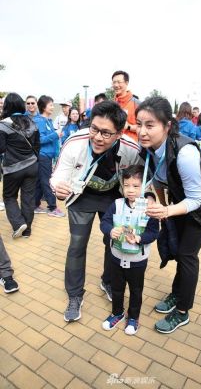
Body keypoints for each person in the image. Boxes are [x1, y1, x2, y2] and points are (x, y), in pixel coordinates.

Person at [135, 96, 201, 334]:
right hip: (180, 203)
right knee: (178, 250)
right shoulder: (151, 149)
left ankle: (182, 311)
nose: (142, 131)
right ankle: (176, 293)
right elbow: (157, 179)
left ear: (167, 125)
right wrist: (159, 203)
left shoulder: (185, 152)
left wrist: (167, 210)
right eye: (139, 124)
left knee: (187, 255)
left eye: (150, 125)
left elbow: (196, 199)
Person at [50, 100, 145, 322]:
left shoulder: (131, 150)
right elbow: (57, 175)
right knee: (77, 244)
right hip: (81, 196)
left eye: (106, 133)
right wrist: (58, 188)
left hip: (113, 197)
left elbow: (142, 180)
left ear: (120, 133)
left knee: (112, 241)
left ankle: (108, 281)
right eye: (94, 128)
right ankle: (74, 295)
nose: (98, 137)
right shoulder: (75, 142)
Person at [100, 165, 159, 335]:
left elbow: (154, 232)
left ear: (145, 186)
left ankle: (133, 317)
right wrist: (110, 230)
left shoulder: (150, 208)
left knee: (136, 290)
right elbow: (104, 222)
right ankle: (117, 313)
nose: (130, 190)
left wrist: (140, 238)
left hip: (137, 262)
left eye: (135, 186)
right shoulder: (117, 204)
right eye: (126, 185)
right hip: (116, 257)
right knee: (117, 289)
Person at [0, 93, 40, 238]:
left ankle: (18, 223)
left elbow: (1, 148)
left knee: (9, 196)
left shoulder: (4, 124)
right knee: (28, 198)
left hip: (13, 168)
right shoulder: (32, 122)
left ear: (7, 106)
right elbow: (37, 145)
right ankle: (27, 230)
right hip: (32, 166)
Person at [33, 95, 65, 217]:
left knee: (40, 181)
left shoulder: (48, 121)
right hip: (43, 155)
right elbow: (40, 140)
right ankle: (52, 207)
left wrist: (56, 135)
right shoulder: (39, 121)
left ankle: (35, 205)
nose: (52, 107)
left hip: (48, 156)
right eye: (51, 105)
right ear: (43, 106)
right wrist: (56, 134)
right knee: (46, 181)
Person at [112, 70, 140, 142]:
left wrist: (128, 126)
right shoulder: (112, 103)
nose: (116, 85)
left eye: (119, 82)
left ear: (126, 83)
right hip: (113, 144)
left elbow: (143, 127)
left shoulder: (136, 103)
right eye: (114, 82)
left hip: (130, 145)